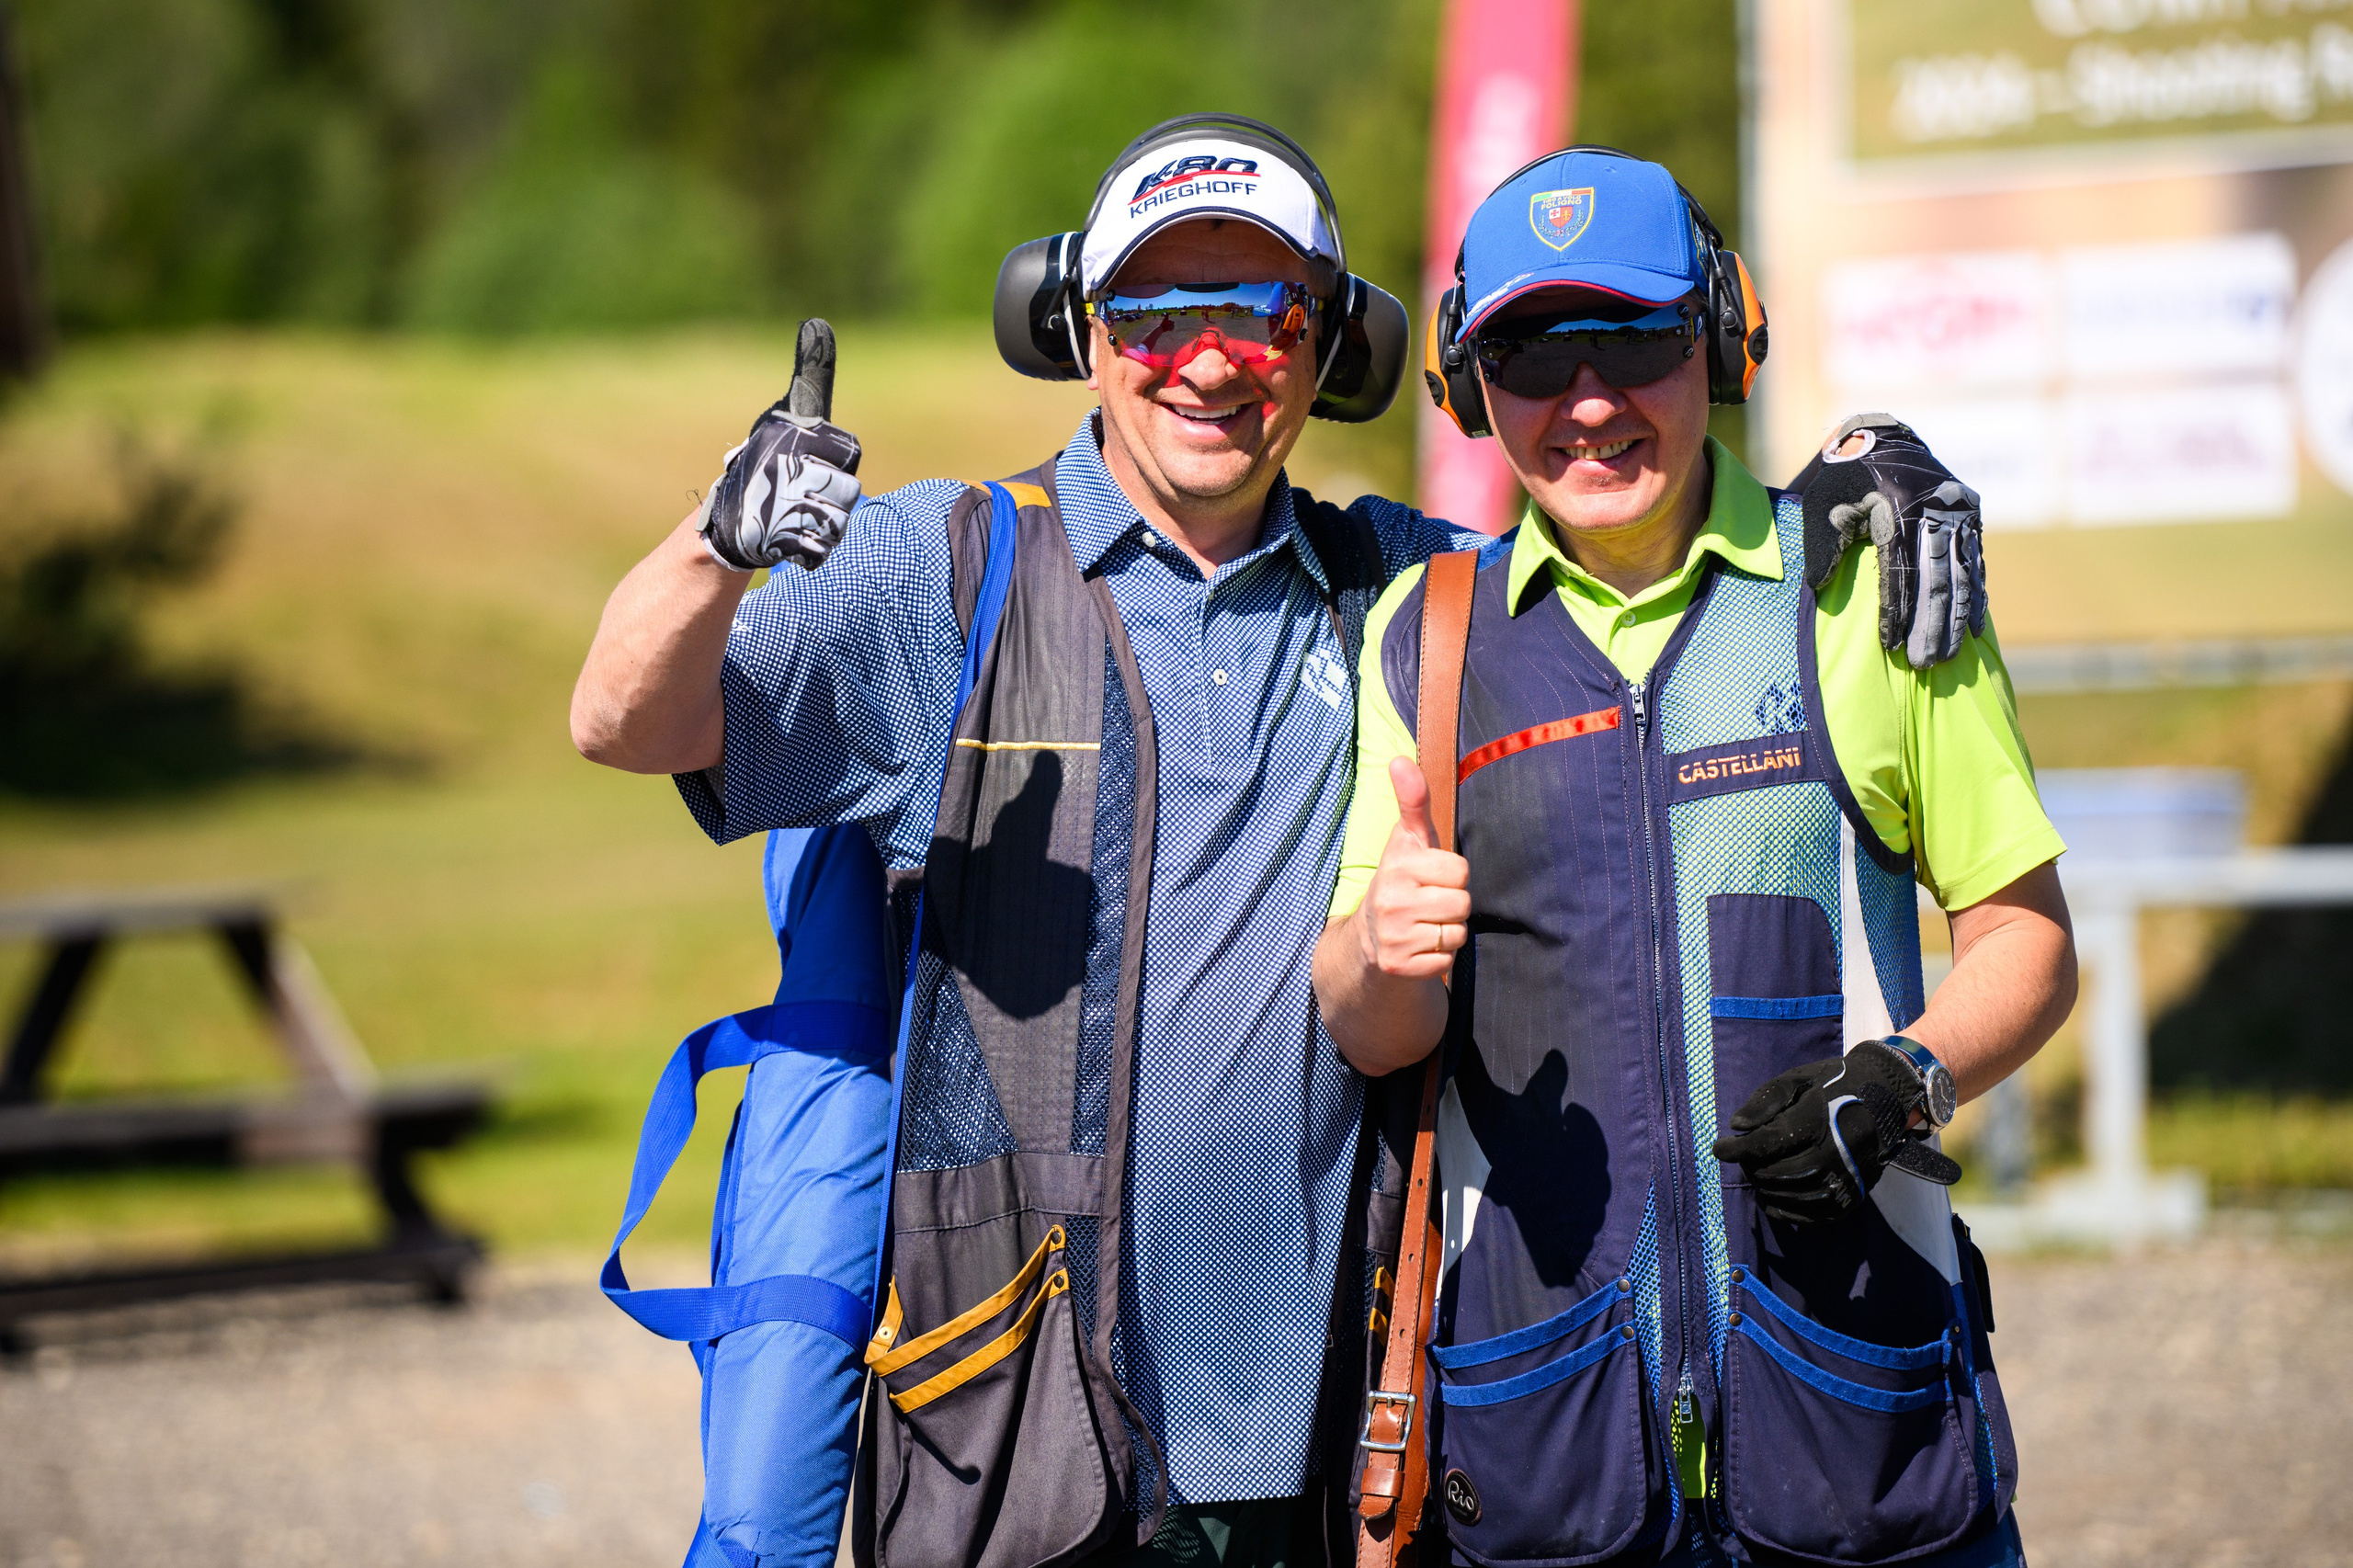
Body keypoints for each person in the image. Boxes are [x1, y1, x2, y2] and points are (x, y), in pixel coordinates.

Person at [574, 118, 1996, 1568]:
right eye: (1155, 310)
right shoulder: (943, 571)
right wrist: (717, 544)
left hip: (1339, 1448)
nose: (1208, 358)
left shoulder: (1407, 594)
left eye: (1259, 313)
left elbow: (1621, 542)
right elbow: (625, 718)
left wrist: (1857, 484)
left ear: (1333, 350)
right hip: (1011, 1433)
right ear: (1079, 329)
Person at [1314, 146, 2075, 1568]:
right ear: (1473, 384)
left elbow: (2026, 935)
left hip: (1862, 1432)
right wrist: (1377, 953)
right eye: (1534, 351)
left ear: (1718, 342)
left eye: (1637, 339)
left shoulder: (1874, 581)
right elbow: (1371, 1029)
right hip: (1550, 1451)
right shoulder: (1426, 635)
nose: (1589, 399)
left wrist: (1906, 1075)